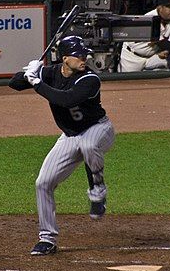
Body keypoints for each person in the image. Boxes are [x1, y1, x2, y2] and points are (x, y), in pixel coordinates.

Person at [9, 36, 115, 255]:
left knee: (88, 144)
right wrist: (29, 73)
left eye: (84, 54)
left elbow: (66, 99)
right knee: (43, 183)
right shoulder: (50, 73)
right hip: (69, 136)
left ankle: (97, 189)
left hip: (99, 129)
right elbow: (14, 84)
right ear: (64, 58)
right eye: (78, 55)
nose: (83, 58)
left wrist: (37, 83)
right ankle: (47, 239)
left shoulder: (90, 79)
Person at [118, 0, 170, 72]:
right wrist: (167, 47)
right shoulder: (149, 18)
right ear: (160, 7)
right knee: (126, 82)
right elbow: (162, 44)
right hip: (133, 57)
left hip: (153, 56)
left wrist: (167, 51)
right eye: (169, 7)